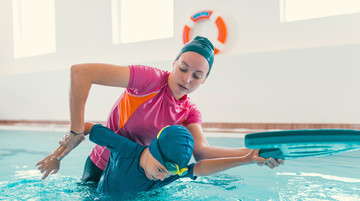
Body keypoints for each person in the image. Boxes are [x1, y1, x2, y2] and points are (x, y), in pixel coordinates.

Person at [36, 36, 281, 182]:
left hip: (141, 176)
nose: (187, 79)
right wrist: (71, 138)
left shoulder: (189, 112)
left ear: (205, 79)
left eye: (197, 75)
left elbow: (202, 154)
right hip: (101, 167)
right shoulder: (149, 80)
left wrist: (253, 153)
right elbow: (81, 72)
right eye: (183, 68)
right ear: (173, 63)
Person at [80, 123, 283, 197]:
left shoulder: (170, 174)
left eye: (168, 174)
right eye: (160, 170)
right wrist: (62, 150)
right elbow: (90, 128)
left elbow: (201, 168)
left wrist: (247, 159)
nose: (161, 179)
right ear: (152, 149)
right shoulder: (125, 149)